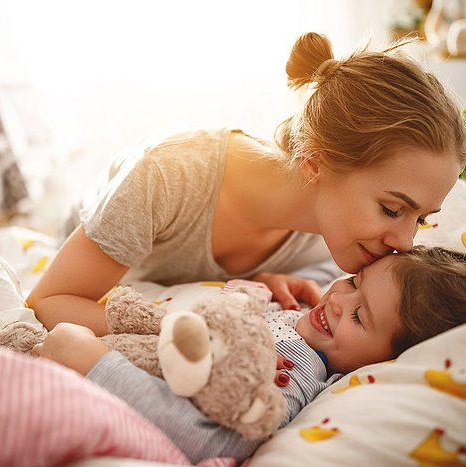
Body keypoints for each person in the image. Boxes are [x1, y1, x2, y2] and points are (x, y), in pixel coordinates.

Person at [27, 32, 465, 336]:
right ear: (315, 162)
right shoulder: (164, 177)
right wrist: (189, 334)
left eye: (421, 219)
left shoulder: (335, 241)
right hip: (91, 224)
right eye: (393, 209)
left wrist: (257, 275)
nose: (405, 243)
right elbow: (49, 300)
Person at [30, 245, 466, 464]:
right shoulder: (303, 316)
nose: (337, 300)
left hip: (91, 382)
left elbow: (208, 439)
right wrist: (263, 278)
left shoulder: (295, 372)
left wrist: (92, 361)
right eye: (353, 282)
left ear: (384, 361)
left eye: (360, 316)